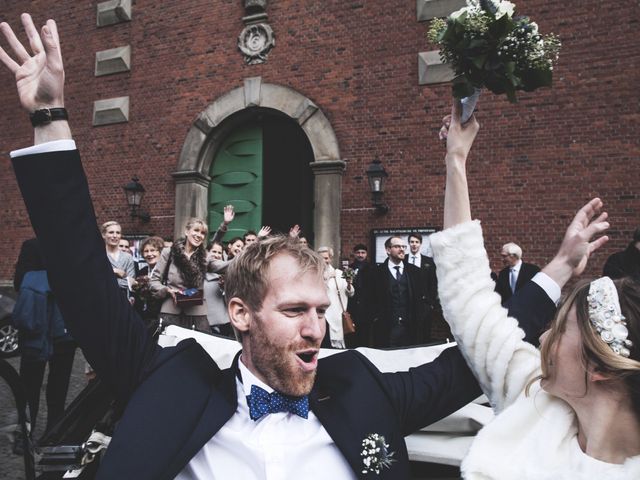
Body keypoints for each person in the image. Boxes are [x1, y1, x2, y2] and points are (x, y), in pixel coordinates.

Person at [4, 16, 557, 479]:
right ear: (240, 314)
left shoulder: (363, 389)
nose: (316, 327)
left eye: (319, 310)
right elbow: (80, 272)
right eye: (295, 311)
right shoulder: (169, 379)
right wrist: (49, 117)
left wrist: (552, 279)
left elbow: (477, 360)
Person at [435, 102, 640, 478]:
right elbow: (471, 305)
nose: (544, 335)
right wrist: (456, 160)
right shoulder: (537, 407)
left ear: (599, 367)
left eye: (561, 330)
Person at [13, 238, 76, 439]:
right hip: (39, 326)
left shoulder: (71, 246)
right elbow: (19, 282)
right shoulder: (34, 245)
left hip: (61, 326)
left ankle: (51, 430)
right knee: (30, 384)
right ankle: (30, 431)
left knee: (57, 384)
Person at [149, 218, 220, 333]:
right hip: (171, 309)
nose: (199, 235)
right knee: (168, 345)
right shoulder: (169, 252)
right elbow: (154, 281)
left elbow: (225, 265)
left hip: (196, 312)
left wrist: (251, 249)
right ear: (187, 231)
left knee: (198, 347)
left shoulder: (205, 257)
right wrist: (167, 290)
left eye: (203, 233)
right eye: (196, 230)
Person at [369, 236, 428, 347]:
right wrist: (376, 319)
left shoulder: (415, 272)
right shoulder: (376, 273)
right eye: (397, 246)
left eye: (403, 246)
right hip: (386, 329)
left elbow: (422, 298)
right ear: (388, 250)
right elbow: (370, 300)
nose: (402, 249)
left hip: (410, 329)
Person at [404, 233, 440, 342]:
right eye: (412, 242)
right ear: (409, 244)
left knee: (424, 332)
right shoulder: (403, 260)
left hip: (424, 304)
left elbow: (433, 283)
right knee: (408, 333)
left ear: (420, 244)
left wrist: (430, 302)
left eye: (416, 242)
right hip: (407, 303)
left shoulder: (428, 262)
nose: (414, 245)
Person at [317, 246, 354, 348]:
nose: (324, 261)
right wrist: (327, 278)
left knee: (336, 347)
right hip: (321, 316)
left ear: (330, 258)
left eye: (326, 258)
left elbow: (350, 293)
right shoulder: (314, 274)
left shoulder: (339, 274)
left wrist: (349, 284)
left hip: (336, 314)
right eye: (321, 258)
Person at [204, 240, 233, 336]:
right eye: (214, 251)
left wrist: (224, 288)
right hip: (204, 322)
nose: (216, 255)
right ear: (207, 252)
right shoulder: (199, 271)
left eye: (219, 253)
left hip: (223, 321)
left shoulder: (227, 272)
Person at [132, 236, 165, 323]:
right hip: (143, 316)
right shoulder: (141, 272)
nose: (149, 254)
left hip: (160, 315)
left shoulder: (166, 272)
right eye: (146, 251)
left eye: (153, 250)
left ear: (160, 252)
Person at [101, 220, 136, 301]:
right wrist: (114, 271)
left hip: (123, 299)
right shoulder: (99, 256)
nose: (114, 235)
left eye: (118, 233)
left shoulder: (127, 257)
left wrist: (123, 276)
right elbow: (97, 281)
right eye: (111, 232)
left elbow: (131, 283)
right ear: (103, 235)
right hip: (104, 298)